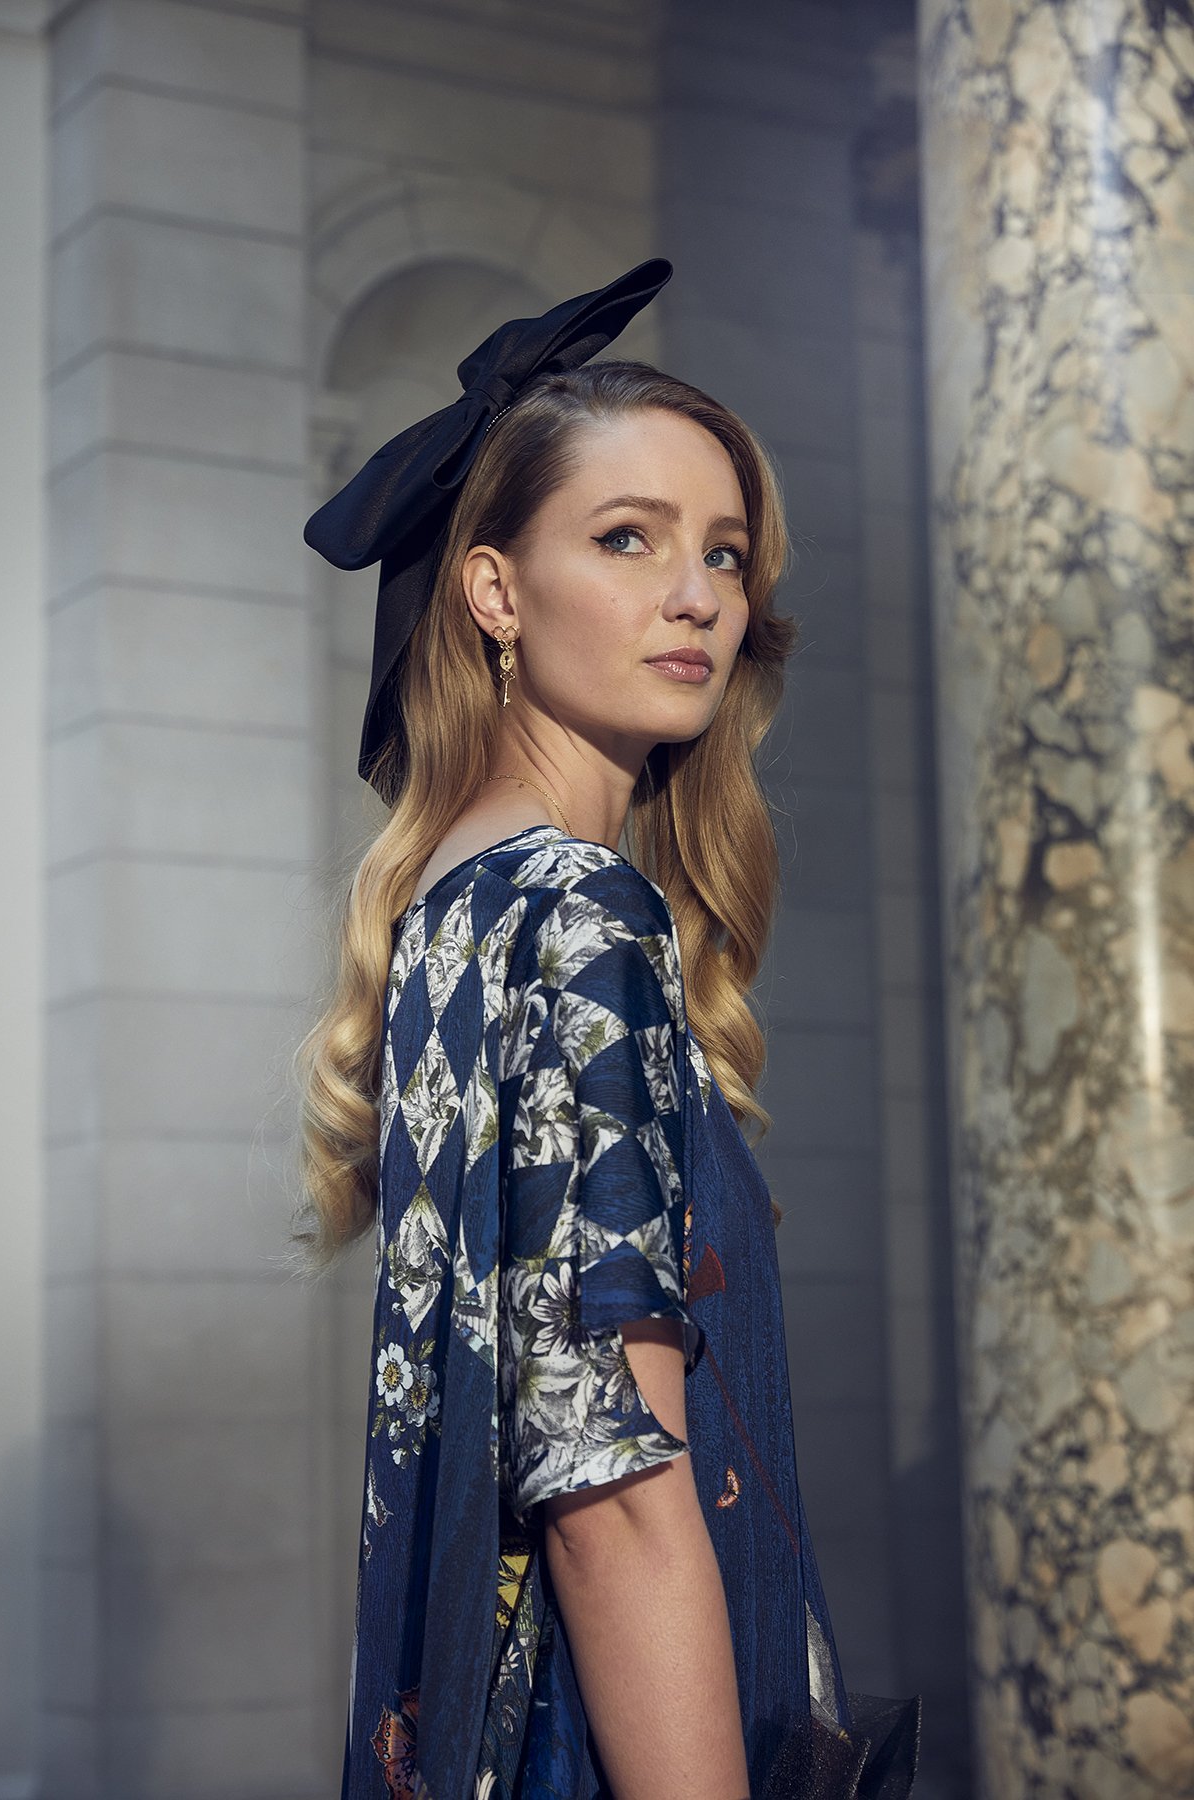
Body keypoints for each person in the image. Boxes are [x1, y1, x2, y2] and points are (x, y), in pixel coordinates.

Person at [293, 261, 920, 1800]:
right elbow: (613, 1492)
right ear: (494, 591)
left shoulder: (457, 901)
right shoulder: (579, 913)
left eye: (723, 551)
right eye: (626, 538)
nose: (696, 592)